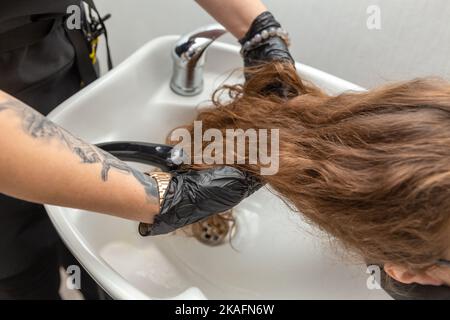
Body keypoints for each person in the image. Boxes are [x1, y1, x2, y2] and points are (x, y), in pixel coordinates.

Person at [0, 0, 287, 299]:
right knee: (24, 274)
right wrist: (165, 198)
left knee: (83, 261)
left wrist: (258, 30)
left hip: (61, 55)